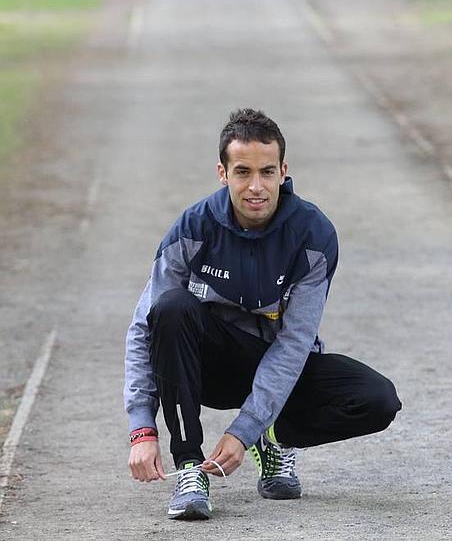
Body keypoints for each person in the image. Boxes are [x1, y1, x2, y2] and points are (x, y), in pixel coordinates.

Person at [124, 108, 401, 520]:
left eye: (267, 172)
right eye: (242, 172)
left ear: (283, 170)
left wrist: (247, 428)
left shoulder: (313, 234)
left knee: (378, 399)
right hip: (207, 368)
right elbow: (143, 328)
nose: (256, 187)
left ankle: (272, 436)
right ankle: (189, 471)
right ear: (223, 173)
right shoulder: (192, 229)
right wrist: (141, 427)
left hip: (278, 368)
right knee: (171, 308)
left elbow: (294, 343)